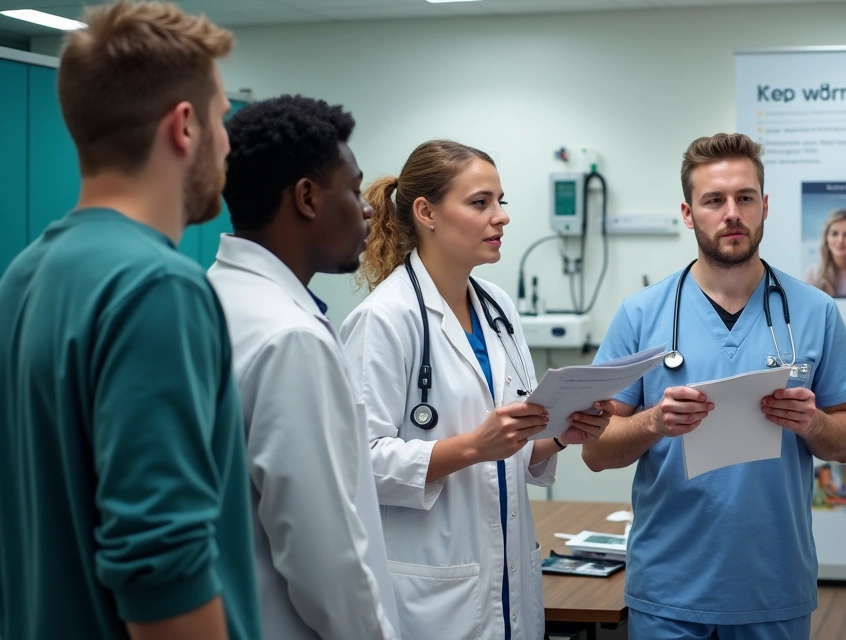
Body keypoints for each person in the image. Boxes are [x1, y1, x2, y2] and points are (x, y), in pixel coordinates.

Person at [0, 2, 260, 639]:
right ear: (183, 127)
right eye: (222, 118)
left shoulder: (26, 274)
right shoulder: (158, 288)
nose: (228, 143)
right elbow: (162, 567)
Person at [582, 133, 846, 640]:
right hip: (669, 590)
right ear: (689, 213)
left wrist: (813, 422)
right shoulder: (640, 315)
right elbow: (595, 452)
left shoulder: (814, 311)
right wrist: (654, 422)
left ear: (765, 207)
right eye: (714, 200)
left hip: (773, 587)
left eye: (745, 198)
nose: (731, 212)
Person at [339, 140, 610, 639]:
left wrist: (562, 434)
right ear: (426, 213)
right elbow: (359, 463)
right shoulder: (384, 318)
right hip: (431, 594)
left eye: (501, 201)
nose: (501, 217)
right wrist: (471, 447)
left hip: (507, 582)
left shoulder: (497, 306)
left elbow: (512, 449)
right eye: (480, 202)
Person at [207, 95, 399, 639]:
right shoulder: (290, 337)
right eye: (354, 188)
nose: (367, 209)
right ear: (308, 198)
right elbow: (324, 556)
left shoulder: (208, 298)